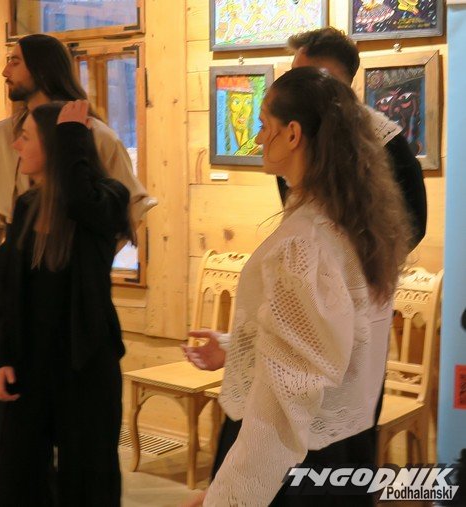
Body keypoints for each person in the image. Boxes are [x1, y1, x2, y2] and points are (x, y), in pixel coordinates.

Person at [183, 68, 411, 506]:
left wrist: (226, 498)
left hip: (294, 465)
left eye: (263, 125)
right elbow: (329, 342)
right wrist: (235, 345)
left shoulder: (304, 243)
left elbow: (284, 405)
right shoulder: (359, 225)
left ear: (292, 134)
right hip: (341, 452)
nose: (256, 139)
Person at [0, 100, 133, 506]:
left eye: (26, 137)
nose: (16, 145)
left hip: (86, 366)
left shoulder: (108, 199)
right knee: (17, 479)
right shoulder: (27, 205)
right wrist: (2, 356)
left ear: (55, 145)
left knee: (87, 482)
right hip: (29, 364)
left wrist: (70, 135)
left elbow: (80, 202)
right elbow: (11, 292)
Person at [0, 33, 155, 257]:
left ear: (42, 70)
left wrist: (93, 261)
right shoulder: (2, 135)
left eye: (15, 62)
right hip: (16, 267)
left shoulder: (96, 136)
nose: (5, 72)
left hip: (68, 264)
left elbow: (134, 206)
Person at [283, 27, 427, 249]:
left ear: (335, 80)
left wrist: (359, 260)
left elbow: (414, 223)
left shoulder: (384, 137)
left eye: (303, 77)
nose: (292, 86)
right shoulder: (293, 132)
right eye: (293, 75)